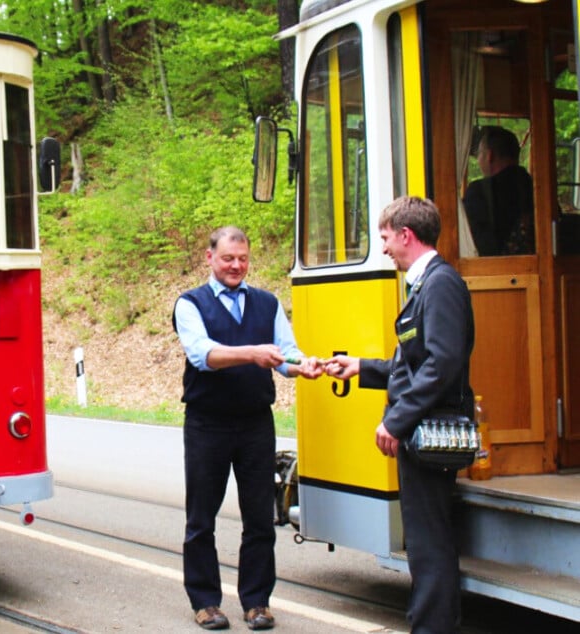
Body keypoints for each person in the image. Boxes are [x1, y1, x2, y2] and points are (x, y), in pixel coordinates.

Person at [325, 196, 475, 634]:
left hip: (427, 430)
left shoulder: (440, 284)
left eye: (386, 237)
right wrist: (361, 368)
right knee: (427, 542)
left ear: (406, 235)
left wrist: (397, 419)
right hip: (421, 426)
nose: (384, 247)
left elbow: (441, 364)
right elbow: (415, 362)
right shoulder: (425, 284)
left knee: (429, 544)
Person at [173, 226, 323, 631]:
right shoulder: (189, 304)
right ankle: (205, 602)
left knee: (259, 518)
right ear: (209, 259)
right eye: (227, 259)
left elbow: (286, 354)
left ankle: (257, 601)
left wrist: (302, 367)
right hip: (208, 425)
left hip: (256, 423)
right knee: (201, 517)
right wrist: (253, 353)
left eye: (242, 259)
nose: (236, 266)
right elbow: (204, 355)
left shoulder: (267, 303)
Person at [461, 125, 534, 256]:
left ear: (489, 156)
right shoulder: (537, 189)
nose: (478, 160)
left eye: (479, 154)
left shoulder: (477, 192)